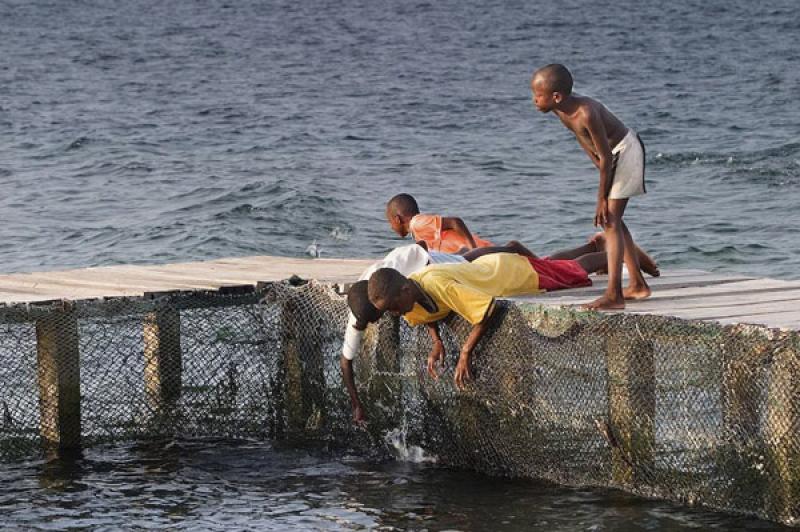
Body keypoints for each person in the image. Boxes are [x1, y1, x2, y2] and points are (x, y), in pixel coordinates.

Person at [531, 64, 650, 310]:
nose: (534, 100)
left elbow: (608, 156)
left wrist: (601, 199)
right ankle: (637, 285)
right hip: (610, 157)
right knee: (613, 220)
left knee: (609, 221)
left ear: (556, 96)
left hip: (626, 152)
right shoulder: (561, 110)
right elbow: (583, 139)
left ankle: (614, 295)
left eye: (538, 95)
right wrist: (596, 164)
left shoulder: (585, 111)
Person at [385, 193, 494, 253]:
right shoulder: (418, 233)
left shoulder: (417, 223)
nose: (391, 227)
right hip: (481, 251)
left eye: (390, 222)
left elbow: (455, 222)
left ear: (397, 219)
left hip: (482, 250)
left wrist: (473, 250)